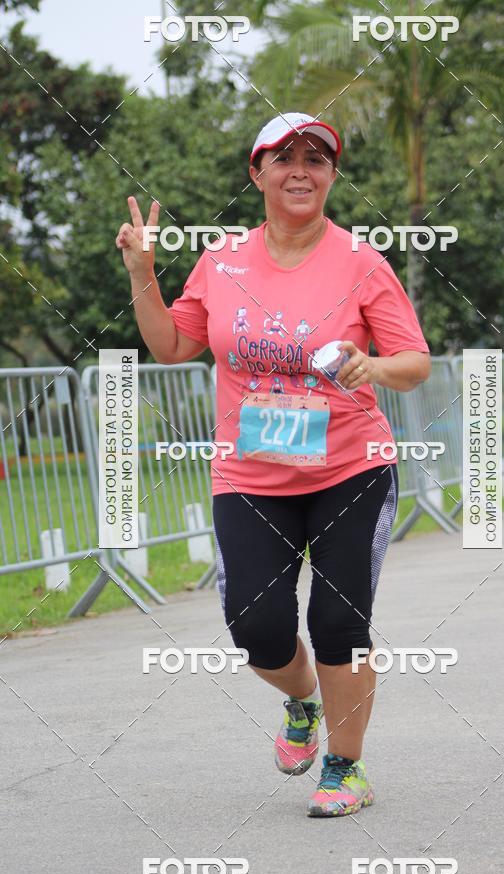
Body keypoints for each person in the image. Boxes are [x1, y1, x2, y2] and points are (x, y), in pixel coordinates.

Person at [116, 111, 431, 818]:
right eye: (283, 157)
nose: (300, 169)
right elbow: (171, 347)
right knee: (255, 625)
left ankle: (346, 769)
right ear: (256, 174)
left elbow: (415, 364)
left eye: (316, 158)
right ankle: (301, 702)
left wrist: (370, 365)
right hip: (250, 474)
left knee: (337, 622)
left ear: (331, 176)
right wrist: (143, 274)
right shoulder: (222, 259)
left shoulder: (361, 262)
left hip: (351, 468)